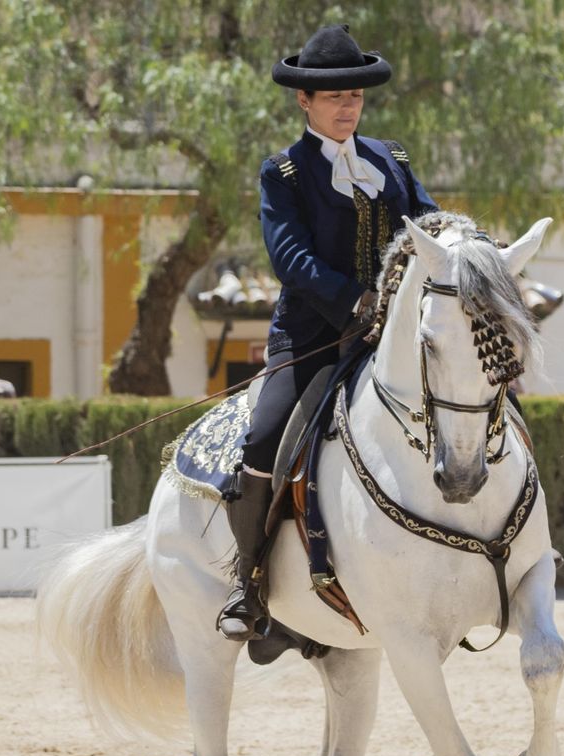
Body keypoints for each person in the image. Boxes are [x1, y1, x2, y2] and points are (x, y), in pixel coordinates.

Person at [218, 23, 441, 641]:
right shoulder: (283, 174)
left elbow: (429, 225)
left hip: (390, 332)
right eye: (336, 98)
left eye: (356, 97)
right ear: (304, 102)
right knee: (264, 439)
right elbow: (292, 261)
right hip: (313, 335)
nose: (348, 107)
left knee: (477, 392)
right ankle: (248, 579)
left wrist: (467, 252)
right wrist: (355, 301)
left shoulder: (389, 161)